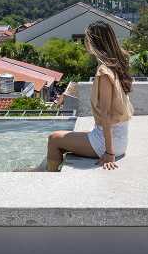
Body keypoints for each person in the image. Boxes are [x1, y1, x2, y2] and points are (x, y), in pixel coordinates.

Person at [46, 21, 133, 171]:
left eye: (86, 38)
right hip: (118, 137)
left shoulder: (104, 72)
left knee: (54, 139)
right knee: (68, 136)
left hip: (109, 143)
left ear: (94, 42)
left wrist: (109, 152)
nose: (85, 42)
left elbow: (105, 115)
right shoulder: (114, 66)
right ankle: (49, 168)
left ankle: (48, 176)